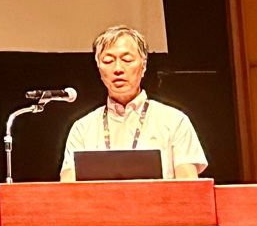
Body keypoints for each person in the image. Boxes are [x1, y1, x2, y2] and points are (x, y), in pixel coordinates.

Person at [59, 25, 207, 181]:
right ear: (99, 69)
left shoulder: (174, 121)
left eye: (127, 60)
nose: (118, 69)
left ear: (143, 66)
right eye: (108, 61)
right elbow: (68, 190)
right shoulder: (82, 128)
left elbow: (190, 189)